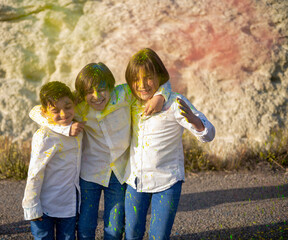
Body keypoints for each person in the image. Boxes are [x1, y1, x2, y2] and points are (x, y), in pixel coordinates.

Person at [29, 62, 171, 240]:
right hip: (90, 174)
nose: (96, 96)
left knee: (115, 226)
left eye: (102, 89)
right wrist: (66, 129)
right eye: (89, 92)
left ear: (111, 86)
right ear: (82, 93)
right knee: (86, 226)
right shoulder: (79, 106)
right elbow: (36, 112)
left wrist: (161, 96)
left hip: (119, 174)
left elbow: (160, 84)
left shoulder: (124, 95)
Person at [124, 48, 216, 240]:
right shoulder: (130, 101)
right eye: (136, 79)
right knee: (132, 233)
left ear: (159, 75)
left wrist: (195, 122)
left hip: (167, 182)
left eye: (148, 77)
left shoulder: (175, 102)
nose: (142, 85)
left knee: (159, 236)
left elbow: (209, 134)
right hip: (135, 180)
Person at [22, 81, 83, 240]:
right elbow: (35, 173)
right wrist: (32, 207)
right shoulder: (45, 136)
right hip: (45, 207)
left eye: (68, 107)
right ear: (45, 112)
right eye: (55, 110)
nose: (63, 114)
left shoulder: (77, 128)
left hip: (69, 205)